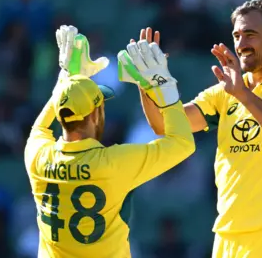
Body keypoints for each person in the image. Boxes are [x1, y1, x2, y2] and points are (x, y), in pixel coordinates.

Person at [133, 0, 262, 258]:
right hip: (226, 237)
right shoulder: (224, 93)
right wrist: (148, 83)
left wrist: (244, 95)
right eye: (237, 35)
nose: (241, 44)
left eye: (250, 34)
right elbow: (164, 125)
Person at [23, 25, 195, 258]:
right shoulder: (115, 162)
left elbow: (40, 127)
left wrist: (66, 78)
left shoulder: (38, 156)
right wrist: (163, 86)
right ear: (95, 115)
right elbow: (183, 142)